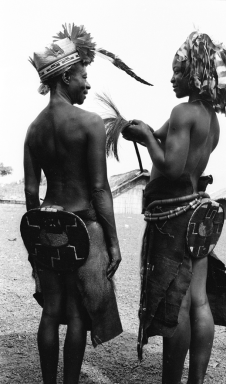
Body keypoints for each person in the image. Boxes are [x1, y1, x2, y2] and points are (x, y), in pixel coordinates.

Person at [123, 31, 226, 384]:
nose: (171, 78)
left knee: (176, 304)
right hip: (199, 216)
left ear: (193, 74)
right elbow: (163, 134)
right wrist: (143, 129)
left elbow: (172, 167)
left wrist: (146, 139)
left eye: (177, 72)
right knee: (199, 301)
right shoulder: (208, 116)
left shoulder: (182, 111)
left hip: (175, 220)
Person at [22, 24, 127, 384]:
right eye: (83, 76)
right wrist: (112, 243)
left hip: (47, 228)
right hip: (82, 228)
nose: (87, 84)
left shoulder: (34, 130)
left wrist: (34, 243)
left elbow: (31, 194)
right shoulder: (89, 122)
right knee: (79, 314)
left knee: (51, 312)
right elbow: (99, 189)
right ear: (66, 76)